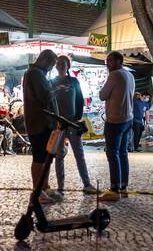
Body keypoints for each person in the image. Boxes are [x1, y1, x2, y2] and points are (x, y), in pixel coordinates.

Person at [22, 49, 61, 204]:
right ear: (45, 61)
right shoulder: (35, 74)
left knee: (45, 157)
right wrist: (55, 90)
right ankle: (38, 190)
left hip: (42, 122)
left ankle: (44, 187)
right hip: (40, 122)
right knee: (39, 157)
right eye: (52, 64)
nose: (51, 68)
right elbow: (44, 96)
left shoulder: (35, 74)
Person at [52, 55, 96, 194]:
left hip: (73, 122)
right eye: (58, 63)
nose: (60, 65)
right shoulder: (51, 82)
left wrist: (77, 117)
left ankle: (87, 183)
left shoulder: (74, 81)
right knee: (59, 156)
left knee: (79, 154)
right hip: (58, 124)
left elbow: (79, 99)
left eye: (62, 63)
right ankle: (60, 186)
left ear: (68, 66)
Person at [98, 51, 135, 201]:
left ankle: (114, 189)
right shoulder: (130, 75)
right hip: (128, 119)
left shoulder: (114, 75)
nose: (107, 64)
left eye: (110, 61)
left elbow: (102, 95)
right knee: (122, 153)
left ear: (120, 61)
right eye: (107, 61)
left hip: (115, 120)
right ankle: (123, 187)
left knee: (112, 154)